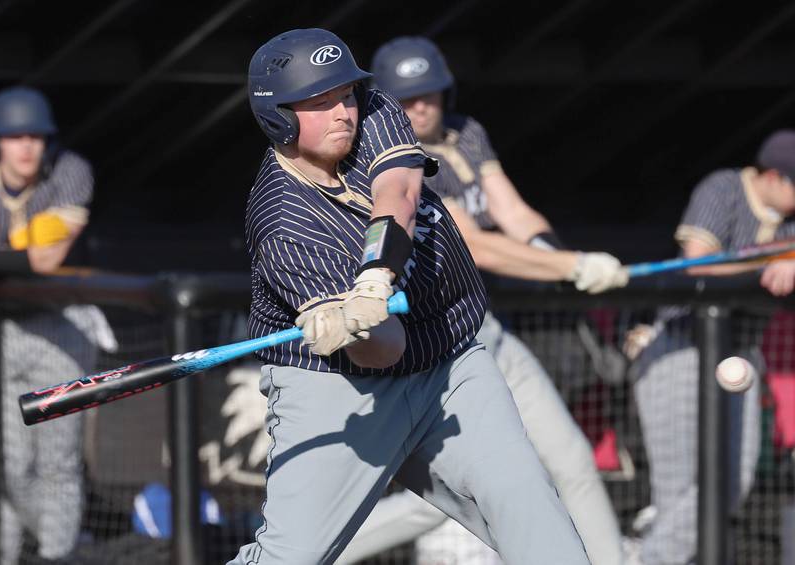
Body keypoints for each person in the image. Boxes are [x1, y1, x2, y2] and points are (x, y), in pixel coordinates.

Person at [228, 28, 589, 565]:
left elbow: (397, 191)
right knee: (293, 556)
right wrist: (354, 325)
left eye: (343, 95)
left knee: (526, 500)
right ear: (277, 115)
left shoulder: (375, 110)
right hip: (341, 392)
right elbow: (383, 351)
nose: (342, 112)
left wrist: (374, 280)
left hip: (449, 361)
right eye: (319, 103)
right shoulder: (282, 223)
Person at [335, 36, 627, 565]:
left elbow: (512, 213)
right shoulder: (390, 159)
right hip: (432, 346)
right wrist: (573, 268)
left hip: (486, 331)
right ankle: (298, 555)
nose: (419, 106)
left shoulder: (467, 134)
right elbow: (474, 242)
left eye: (428, 93)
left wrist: (556, 252)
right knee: (448, 497)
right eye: (406, 97)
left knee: (573, 462)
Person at [626, 129, 795, 565]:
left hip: (739, 354)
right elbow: (697, 260)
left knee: (732, 483)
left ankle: (643, 554)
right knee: (681, 488)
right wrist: (771, 262)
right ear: (776, 177)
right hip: (681, 347)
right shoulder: (725, 187)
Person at [0, 86, 106, 563]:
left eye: (36, 137)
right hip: (6, 331)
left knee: (57, 463)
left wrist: (8, 254)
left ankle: (56, 556)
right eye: (15, 136)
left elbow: (45, 258)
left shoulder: (69, 170)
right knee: (11, 466)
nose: (26, 148)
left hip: (63, 329)